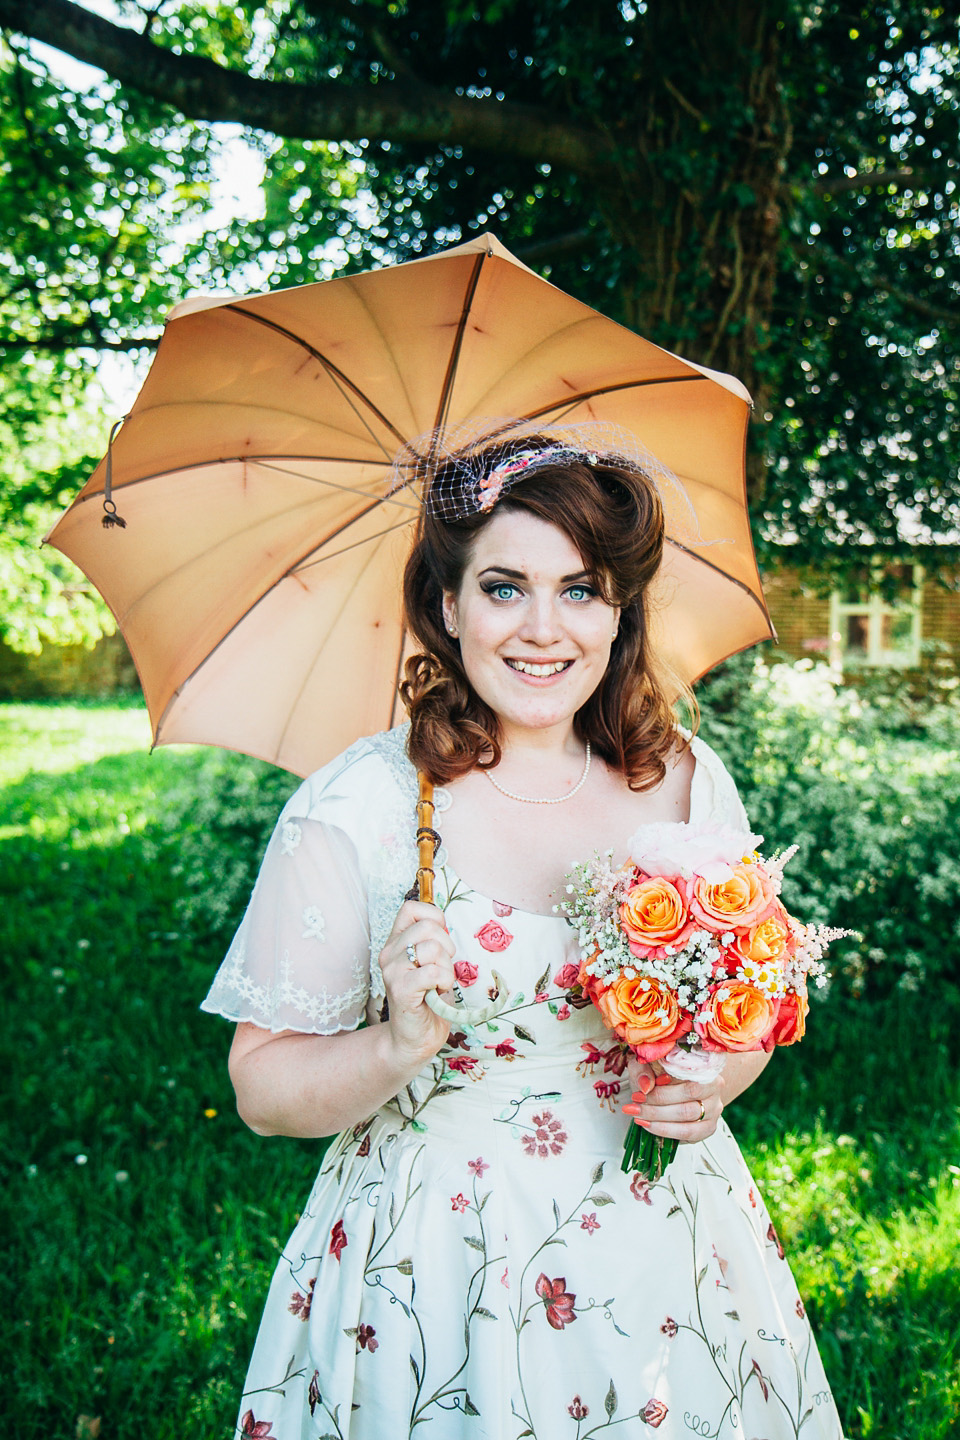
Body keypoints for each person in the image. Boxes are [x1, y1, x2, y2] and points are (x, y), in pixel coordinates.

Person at [201, 425, 844, 1439]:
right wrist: (396, 1043)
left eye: (580, 589)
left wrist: (709, 1086)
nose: (543, 628)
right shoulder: (362, 806)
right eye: (504, 588)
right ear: (447, 606)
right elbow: (263, 1091)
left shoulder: (681, 781)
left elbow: (746, 1014)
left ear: (619, 610)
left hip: (665, 1248)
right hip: (442, 1260)